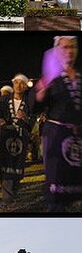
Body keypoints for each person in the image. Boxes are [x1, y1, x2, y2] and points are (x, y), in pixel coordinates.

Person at [33, 36, 81, 213]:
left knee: (75, 184)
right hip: (56, 136)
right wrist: (40, 93)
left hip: (78, 139)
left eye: (72, 47)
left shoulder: (80, 76)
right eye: (65, 47)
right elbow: (35, 106)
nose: (69, 51)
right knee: (57, 189)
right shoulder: (51, 78)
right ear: (57, 51)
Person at [0, 73, 32, 203]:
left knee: (18, 166)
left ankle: (13, 189)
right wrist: (1, 122)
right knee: (5, 164)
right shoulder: (3, 100)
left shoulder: (29, 101)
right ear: (13, 84)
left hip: (21, 137)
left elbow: (33, 121)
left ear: (26, 87)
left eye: (22, 83)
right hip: (6, 136)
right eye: (16, 82)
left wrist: (25, 118)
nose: (18, 85)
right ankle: (7, 196)